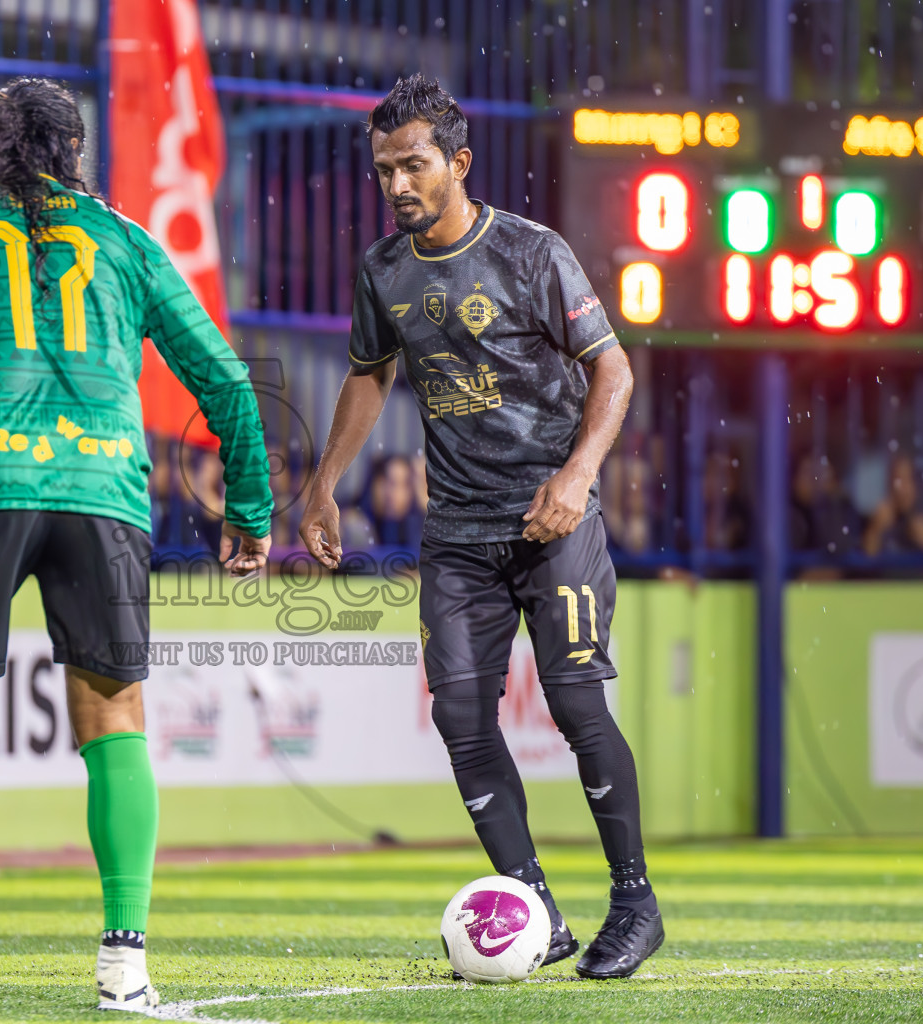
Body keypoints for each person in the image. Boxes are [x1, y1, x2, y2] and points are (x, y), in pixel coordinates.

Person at [0, 79, 273, 1009]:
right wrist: (251, 507)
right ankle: (126, 966)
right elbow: (228, 378)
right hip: (106, 490)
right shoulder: (124, 237)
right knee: (115, 726)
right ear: (73, 154)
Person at [298, 75, 661, 979]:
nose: (397, 185)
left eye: (413, 165)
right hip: (458, 531)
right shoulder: (384, 268)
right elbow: (370, 375)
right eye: (385, 169)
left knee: (578, 704)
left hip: (552, 518)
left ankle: (636, 903)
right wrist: (323, 485)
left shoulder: (535, 253)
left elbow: (613, 375)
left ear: (459, 163)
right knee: (461, 716)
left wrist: (578, 479)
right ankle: (535, 906)